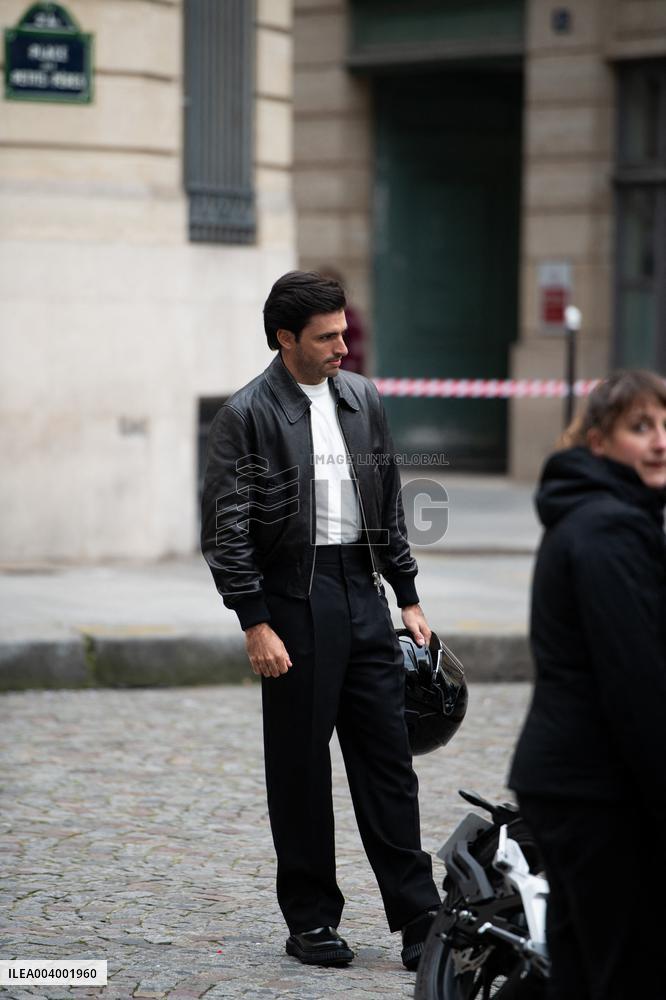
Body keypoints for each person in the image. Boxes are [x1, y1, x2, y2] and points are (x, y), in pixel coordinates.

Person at [201, 271, 441, 970]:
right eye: (327, 336)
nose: (344, 346)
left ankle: (420, 917)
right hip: (294, 603)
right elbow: (226, 528)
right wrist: (254, 620)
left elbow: (388, 501)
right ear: (286, 339)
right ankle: (310, 920)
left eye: (344, 331)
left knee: (389, 765)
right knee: (301, 770)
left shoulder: (362, 397)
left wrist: (408, 594)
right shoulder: (247, 414)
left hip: (362, 595)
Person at [508, 370, 666, 999]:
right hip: (593, 788)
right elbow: (637, 683)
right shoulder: (607, 528)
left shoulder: (608, 516)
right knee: (624, 968)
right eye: (640, 427)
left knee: (575, 970)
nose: (660, 442)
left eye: (665, 426)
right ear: (599, 443)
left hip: (571, 783)